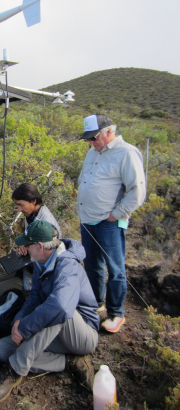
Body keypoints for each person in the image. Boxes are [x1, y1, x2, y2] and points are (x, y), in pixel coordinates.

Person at [0, 220, 99, 405]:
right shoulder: (40, 261)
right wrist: (18, 322)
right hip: (56, 334)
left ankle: (14, 370)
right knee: (3, 350)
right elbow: (35, 297)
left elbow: (60, 307)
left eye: (27, 245)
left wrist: (26, 327)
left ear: (39, 245)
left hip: (82, 333)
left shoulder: (67, 265)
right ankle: (68, 362)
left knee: (57, 309)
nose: (24, 249)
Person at [78, 114, 146, 333]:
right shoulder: (92, 152)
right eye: (88, 139)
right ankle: (96, 303)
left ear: (109, 131)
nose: (91, 142)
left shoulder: (126, 152)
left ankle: (116, 314)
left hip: (109, 221)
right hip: (87, 218)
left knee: (115, 268)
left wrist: (115, 215)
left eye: (94, 137)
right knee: (91, 264)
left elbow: (137, 191)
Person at [0, 183, 62, 301]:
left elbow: (46, 259)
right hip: (24, 266)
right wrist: (25, 246)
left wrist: (28, 252)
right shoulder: (31, 214)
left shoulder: (47, 224)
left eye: (21, 205)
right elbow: (31, 240)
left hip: (34, 278)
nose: (19, 209)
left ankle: (25, 296)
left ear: (33, 201)